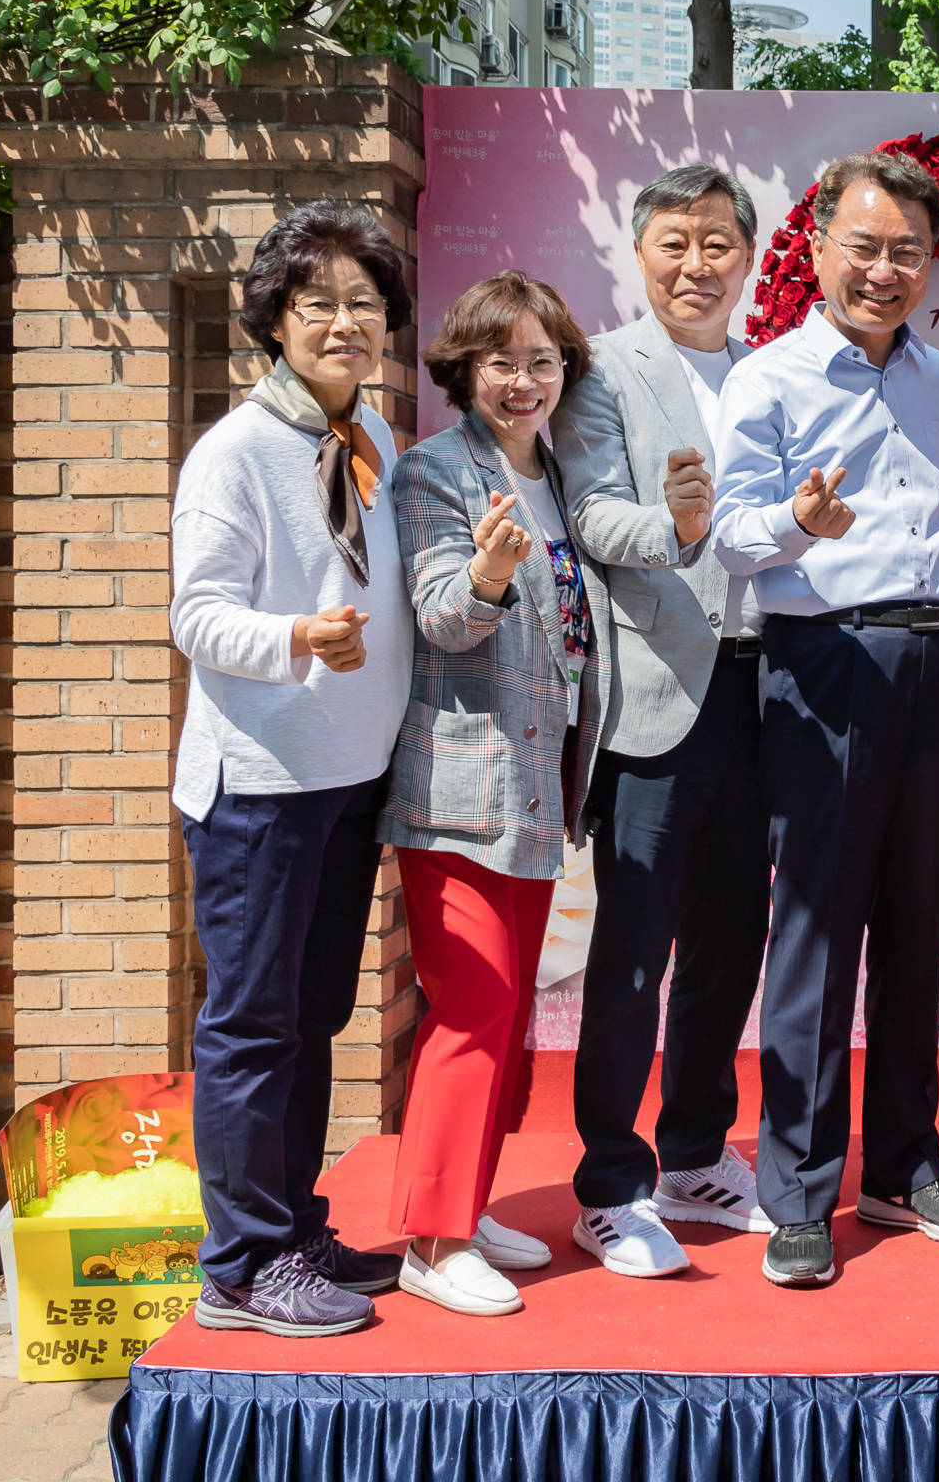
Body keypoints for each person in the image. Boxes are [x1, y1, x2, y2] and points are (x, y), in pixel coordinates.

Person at [710, 150, 939, 1288]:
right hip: (825, 661)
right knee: (819, 934)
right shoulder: (771, 379)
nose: (885, 271)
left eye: (908, 253)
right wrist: (797, 521)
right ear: (821, 246)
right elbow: (731, 538)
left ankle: (903, 1164)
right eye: (865, 247)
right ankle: (796, 1187)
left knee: (917, 931)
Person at [171, 203, 416, 1337]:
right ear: (276, 320)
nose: (345, 323)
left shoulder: (375, 443)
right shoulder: (235, 451)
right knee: (252, 1023)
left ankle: (292, 1225)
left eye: (364, 304)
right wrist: (295, 641)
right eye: (319, 303)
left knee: (314, 1018)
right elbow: (197, 616)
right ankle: (240, 1264)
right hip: (259, 786)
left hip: (348, 781)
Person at [550, 165, 775, 1275]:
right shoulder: (602, 373)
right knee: (635, 952)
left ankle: (695, 1153)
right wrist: (677, 524)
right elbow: (590, 514)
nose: (698, 265)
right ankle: (609, 1182)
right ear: (639, 253)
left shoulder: (772, 368)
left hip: (765, 693)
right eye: (676, 243)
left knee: (733, 942)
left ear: (748, 255)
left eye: (719, 243)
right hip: (654, 694)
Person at [379, 272, 614, 1314]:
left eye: (542, 362)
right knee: (469, 1008)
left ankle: (465, 1205)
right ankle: (428, 1243)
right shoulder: (438, 473)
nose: (523, 382)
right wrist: (482, 578)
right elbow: (437, 616)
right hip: (458, 789)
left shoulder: (560, 475)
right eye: (501, 362)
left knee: (508, 1008)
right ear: (464, 370)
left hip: (538, 787)